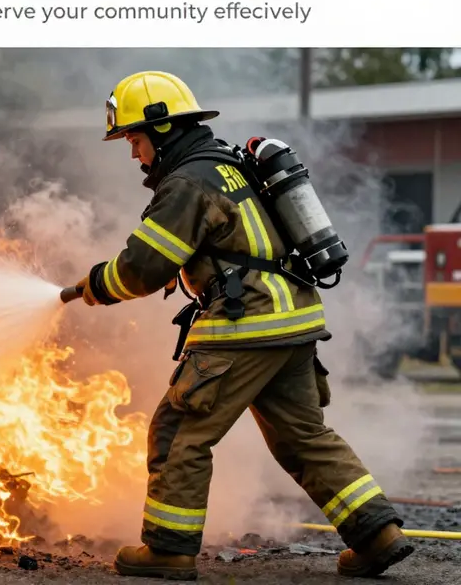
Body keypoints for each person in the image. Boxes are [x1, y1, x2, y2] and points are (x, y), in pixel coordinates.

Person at [75, 70, 414, 580]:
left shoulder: (188, 182)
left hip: (245, 325)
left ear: (163, 130)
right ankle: (378, 535)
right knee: (304, 437)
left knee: (179, 432)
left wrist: (97, 285)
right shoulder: (232, 165)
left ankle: (168, 549)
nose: (133, 154)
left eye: (135, 139)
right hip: (294, 320)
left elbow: (146, 267)